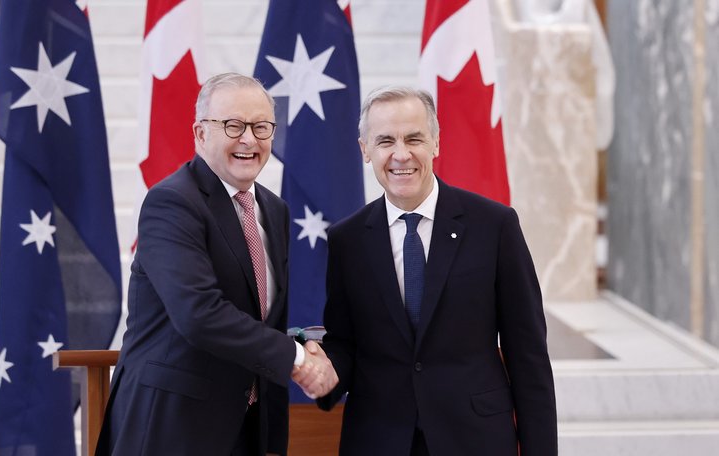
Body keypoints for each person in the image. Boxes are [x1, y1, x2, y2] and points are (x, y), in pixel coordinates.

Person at [96, 73, 337, 456]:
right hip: (171, 428)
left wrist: (303, 346)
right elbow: (199, 313)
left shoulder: (274, 209)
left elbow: (257, 317)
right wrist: (294, 359)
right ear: (201, 133)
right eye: (233, 125)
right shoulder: (172, 203)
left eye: (261, 127)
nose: (249, 139)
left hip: (244, 427)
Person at [316, 86, 557, 455]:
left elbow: (528, 354)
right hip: (378, 438)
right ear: (365, 150)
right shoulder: (347, 240)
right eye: (385, 141)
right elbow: (346, 342)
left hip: (475, 438)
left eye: (414, 138)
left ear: (436, 144)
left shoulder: (494, 226)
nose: (401, 154)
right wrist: (325, 371)